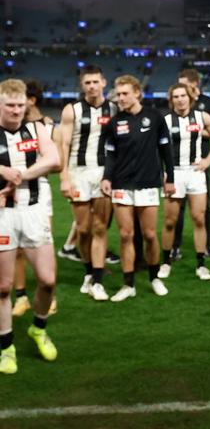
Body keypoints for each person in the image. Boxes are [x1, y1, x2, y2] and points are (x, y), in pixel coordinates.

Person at [0, 78, 60, 374]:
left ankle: (38, 328)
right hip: (2, 215)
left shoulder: (36, 129)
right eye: (10, 105)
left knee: (48, 280)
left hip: (34, 210)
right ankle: (6, 346)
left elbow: (53, 159)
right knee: (3, 287)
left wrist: (19, 175)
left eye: (20, 105)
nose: (15, 111)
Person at [101, 75, 175, 302]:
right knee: (125, 235)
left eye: (124, 93)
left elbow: (166, 150)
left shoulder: (154, 117)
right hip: (122, 184)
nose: (120, 98)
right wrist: (106, 177)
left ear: (137, 93)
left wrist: (170, 178)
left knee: (150, 234)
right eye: (118, 94)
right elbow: (110, 155)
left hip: (148, 183)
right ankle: (128, 283)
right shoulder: (115, 123)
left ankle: (154, 277)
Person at [59, 65, 117, 301]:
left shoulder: (114, 108)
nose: (92, 86)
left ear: (104, 82)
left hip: (105, 173)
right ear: (82, 86)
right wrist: (63, 177)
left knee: (101, 227)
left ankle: (97, 278)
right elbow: (63, 145)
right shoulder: (71, 110)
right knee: (83, 230)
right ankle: (88, 270)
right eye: (87, 83)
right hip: (78, 173)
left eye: (96, 82)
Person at [159, 83, 210, 280]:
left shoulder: (201, 117)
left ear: (190, 97)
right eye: (176, 96)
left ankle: (201, 264)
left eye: (183, 96)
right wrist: (163, 172)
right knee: (170, 221)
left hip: (195, 173)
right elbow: (156, 148)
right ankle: (166, 262)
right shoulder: (166, 121)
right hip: (174, 173)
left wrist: (208, 160)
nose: (180, 99)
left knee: (198, 218)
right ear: (171, 100)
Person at [12, 79, 60, 317]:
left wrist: (24, 174)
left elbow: (57, 164)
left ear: (29, 101)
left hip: (39, 193)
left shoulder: (46, 128)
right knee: (16, 250)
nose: (15, 108)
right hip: (9, 198)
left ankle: (50, 295)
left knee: (44, 246)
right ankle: (20, 296)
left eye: (19, 102)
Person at [172, 69, 210, 260]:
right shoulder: (179, 104)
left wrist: (195, 130)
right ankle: (174, 246)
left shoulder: (209, 103)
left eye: (183, 84)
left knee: (205, 208)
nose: (180, 90)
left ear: (194, 83)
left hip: (201, 161)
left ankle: (206, 245)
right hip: (179, 163)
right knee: (177, 208)